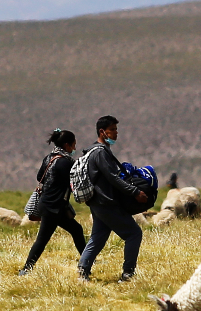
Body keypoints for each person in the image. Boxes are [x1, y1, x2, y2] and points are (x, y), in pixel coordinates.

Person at [77, 115, 147, 282]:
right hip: (105, 202)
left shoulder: (95, 151)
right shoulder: (100, 153)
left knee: (99, 236)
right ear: (103, 132)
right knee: (134, 233)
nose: (116, 133)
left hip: (97, 202)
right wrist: (135, 192)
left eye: (116, 129)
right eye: (112, 130)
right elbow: (113, 178)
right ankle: (128, 274)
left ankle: (82, 270)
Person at [19, 129, 86, 275]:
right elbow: (74, 182)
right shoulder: (65, 162)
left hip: (50, 205)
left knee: (76, 230)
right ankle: (26, 269)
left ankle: (87, 261)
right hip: (53, 208)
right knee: (42, 239)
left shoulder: (49, 158)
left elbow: (39, 177)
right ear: (67, 145)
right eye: (74, 145)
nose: (75, 148)